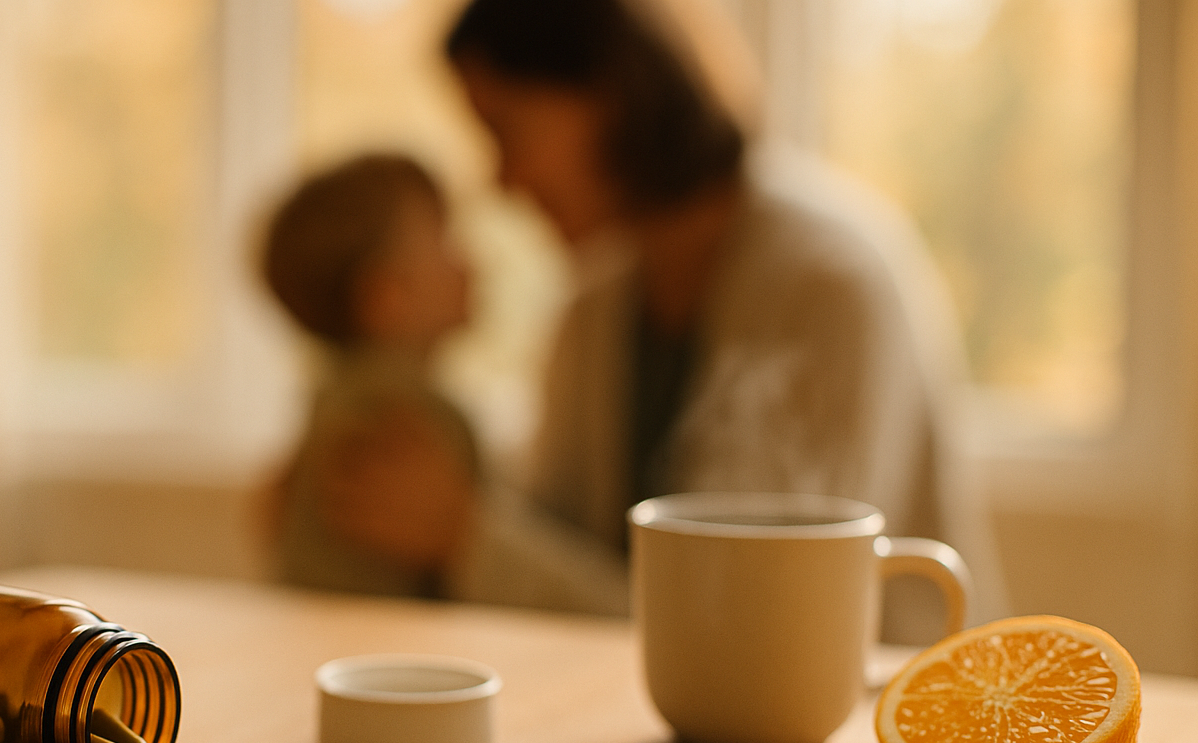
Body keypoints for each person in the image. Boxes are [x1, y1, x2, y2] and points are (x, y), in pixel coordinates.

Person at [320, 0, 1002, 637]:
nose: (501, 180)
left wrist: (465, 536)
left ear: (611, 97)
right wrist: (370, 482)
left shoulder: (827, 286)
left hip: (882, 739)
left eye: (507, 131)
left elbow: (744, 635)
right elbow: (563, 542)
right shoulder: (596, 303)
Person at [261, 153, 480, 599]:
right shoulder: (423, 420)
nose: (470, 263)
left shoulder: (327, 404)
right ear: (389, 296)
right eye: (447, 242)